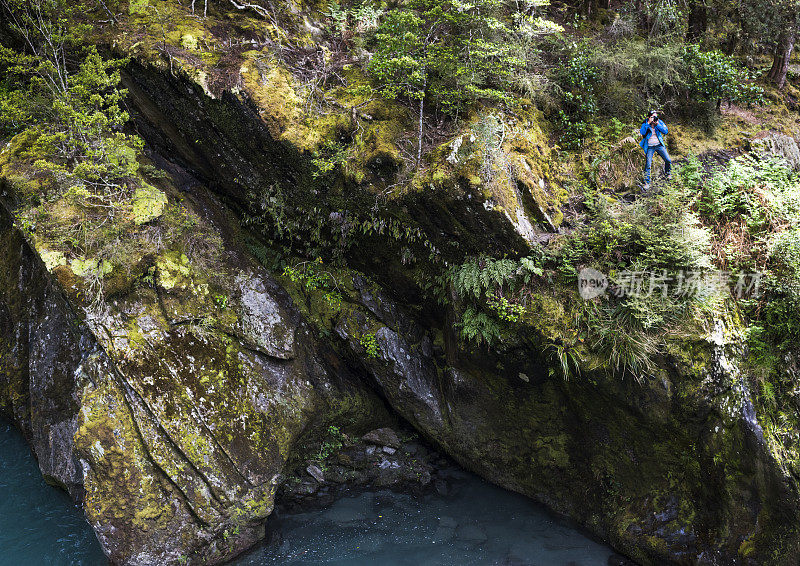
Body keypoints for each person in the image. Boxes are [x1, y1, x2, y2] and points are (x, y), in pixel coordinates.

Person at [639, 111, 671, 190]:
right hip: (650, 146)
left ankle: (668, 174)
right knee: (648, 165)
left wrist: (657, 124)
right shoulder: (645, 123)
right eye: (653, 117)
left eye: (656, 116)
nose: (655, 118)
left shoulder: (659, 122)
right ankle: (647, 183)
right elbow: (642, 132)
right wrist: (648, 123)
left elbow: (665, 131)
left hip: (659, 145)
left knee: (668, 160)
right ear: (649, 117)